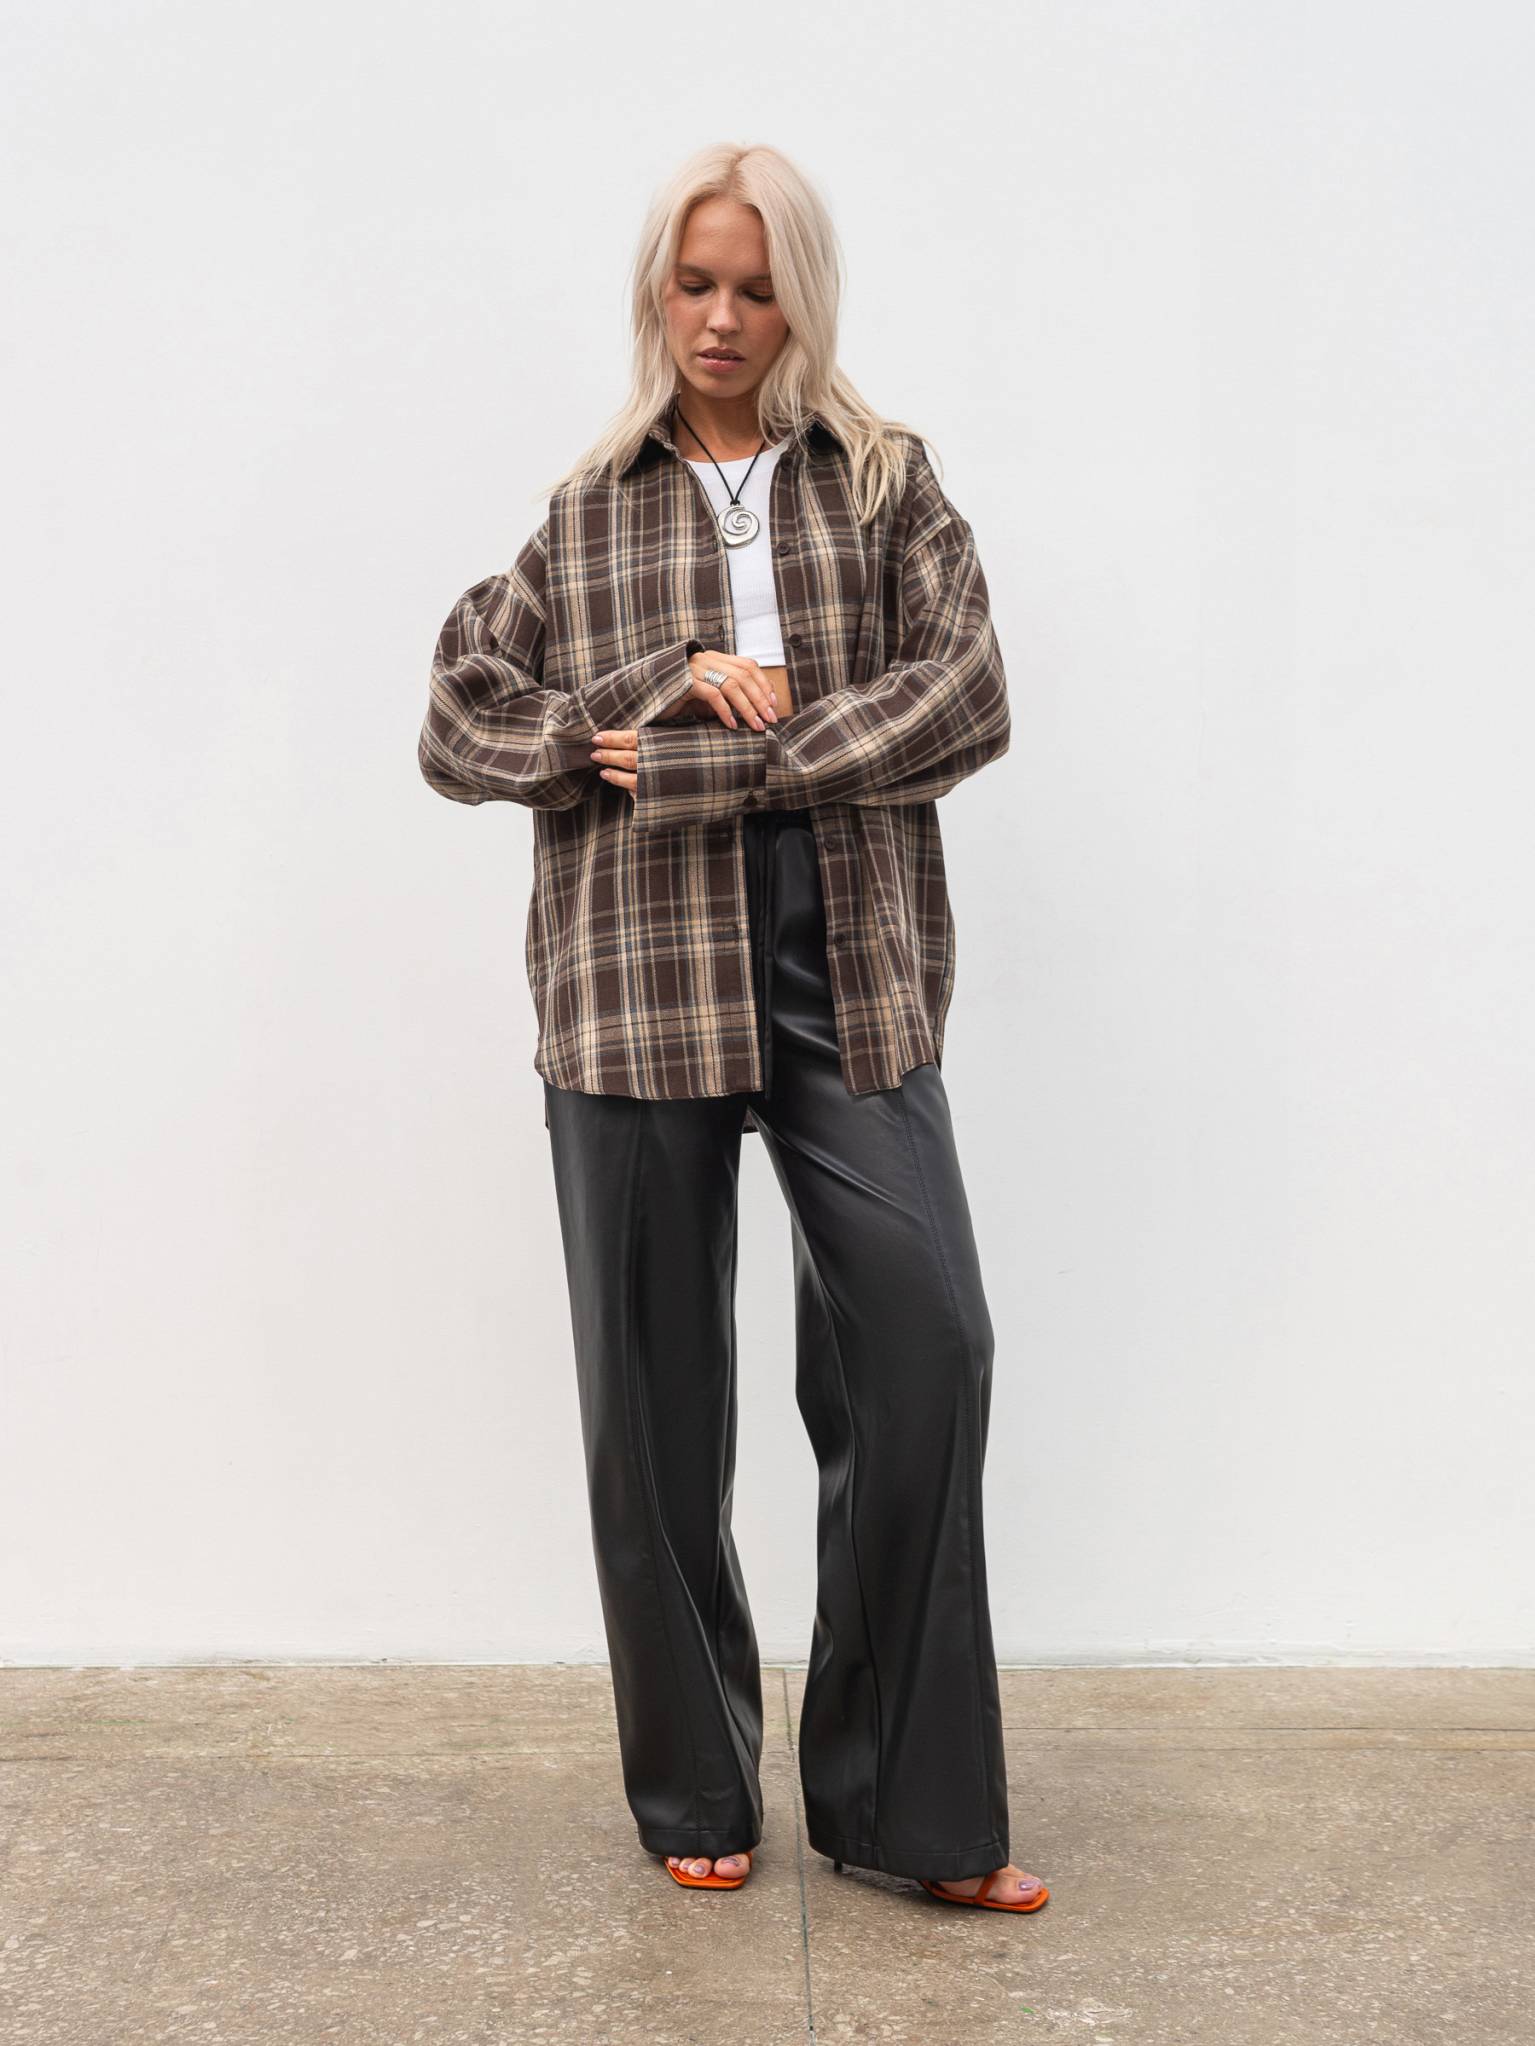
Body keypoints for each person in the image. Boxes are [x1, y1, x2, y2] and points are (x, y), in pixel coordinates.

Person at [417, 142, 1048, 1917]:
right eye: (694, 282)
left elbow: (968, 690)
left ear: (802, 300)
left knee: (927, 1340)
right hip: (633, 973)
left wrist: (755, 760)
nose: (720, 317)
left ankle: (906, 1805)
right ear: (657, 292)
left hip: (844, 958)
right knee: (655, 1400)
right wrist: (632, 706)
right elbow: (460, 718)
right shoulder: (584, 511)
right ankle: (697, 1780)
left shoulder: (888, 481)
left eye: (756, 287)